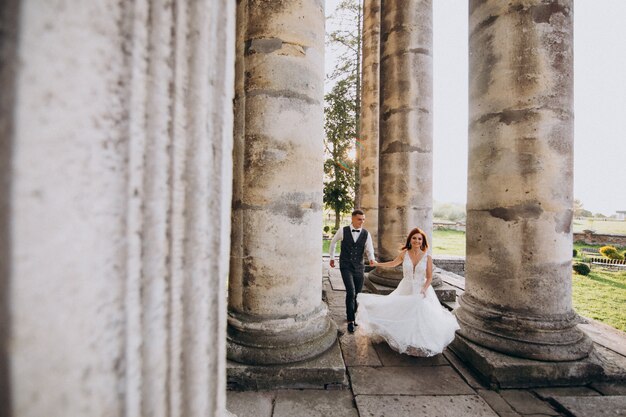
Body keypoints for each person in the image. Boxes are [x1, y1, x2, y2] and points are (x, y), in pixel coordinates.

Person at [356, 227, 459, 356]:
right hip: (406, 286)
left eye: (419, 239)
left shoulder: (427, 257)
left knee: (420, 315)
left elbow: (430, 277)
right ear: (410, 240)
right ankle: (404, 339)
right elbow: (393, 263)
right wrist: (377, 264)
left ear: (423, 241)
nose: (417, 241)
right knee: (400, 312)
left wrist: (424, 289)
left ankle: (418, 342)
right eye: (414, 238)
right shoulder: (404, 253)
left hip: (422, 289)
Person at [329, 209, 376, 333]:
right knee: (351, 291)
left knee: (357, 294)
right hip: (346, 266)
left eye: (363, 220)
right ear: (353, 219)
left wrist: (372, 259)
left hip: (359, 267)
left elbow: (369, 249)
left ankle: (353, 315)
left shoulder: (366, 234)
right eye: (359, 219)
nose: (362, 222)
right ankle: (350, 321)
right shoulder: (343, 231)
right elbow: (333, 242)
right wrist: (332, 258)